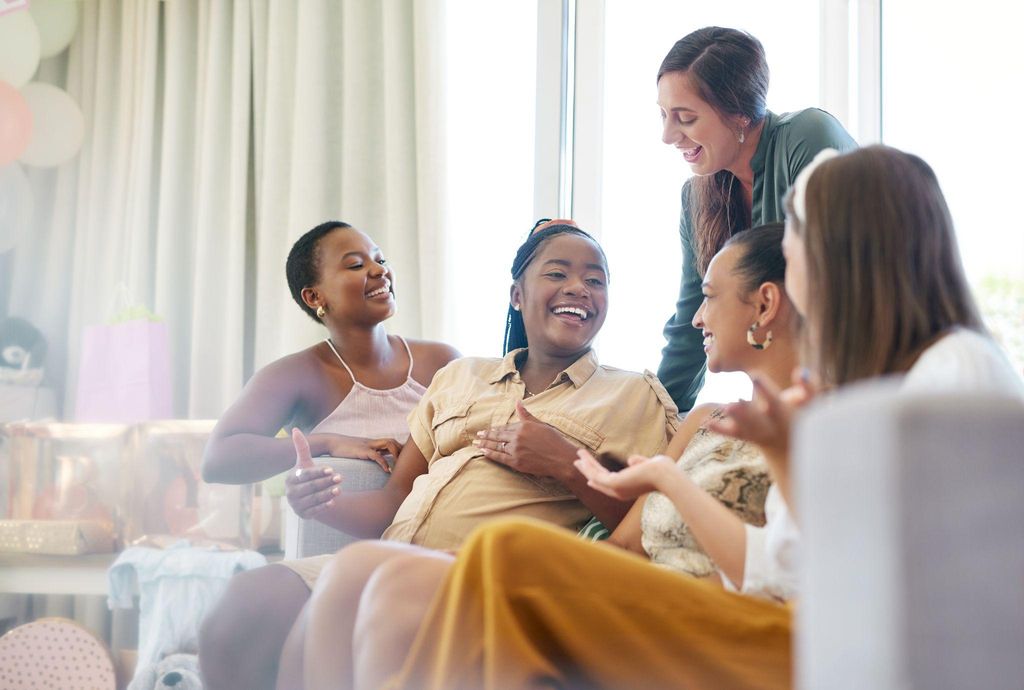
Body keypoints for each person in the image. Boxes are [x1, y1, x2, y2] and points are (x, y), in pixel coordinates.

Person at [371, 146, 1024, 690]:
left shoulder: (954, 372)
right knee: (481, 570)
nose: (794, 290)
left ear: (846, 257)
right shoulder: (856, 394)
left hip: (835, 649)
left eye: (798, 261)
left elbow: (904, 596)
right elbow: (791, 561)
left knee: (508, 554)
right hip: (806, 624)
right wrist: (713, 469)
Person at [295, 223, 798, 690]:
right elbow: (623, 547)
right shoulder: (705, 418)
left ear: (766, 304)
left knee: (495, 551)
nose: (696, 316)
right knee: (370, 569)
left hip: (701, 609)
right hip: (636, 584)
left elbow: (783, 571)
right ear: (518, 295)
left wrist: (580, 466)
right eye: (556, 273)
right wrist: (459, 562)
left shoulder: (808, 425)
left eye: (708, 298)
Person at [203, 222, 679, 690]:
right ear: (517, 294)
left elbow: (651, 534)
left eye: (595, 280)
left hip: (484, 575)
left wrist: (568, 463)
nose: (578, 287)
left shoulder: (633, 394)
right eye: (557, 274)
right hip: (393, 555)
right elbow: (394, 500)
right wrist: (323, 502)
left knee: (349, 610)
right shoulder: (460, 376)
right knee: (247, 604)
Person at [197, 220, 460, 689]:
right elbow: (219, 460)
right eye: (357, 264)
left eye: (380, 258)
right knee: (242, 616)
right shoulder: (299, 374)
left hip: (434, 549)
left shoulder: (441, 361)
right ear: (314, 297)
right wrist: (324, 442)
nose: (379, 270)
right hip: (340, 565)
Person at [655, 26, 857, 412]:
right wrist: (653, 419)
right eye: (664, 115)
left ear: (739, 114)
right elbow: (689, 320)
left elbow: (839, 285)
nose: (668, 135)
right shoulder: (696, 198)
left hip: (844, 383)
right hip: (784, 393)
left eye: (685, 118)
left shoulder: (808, 137)